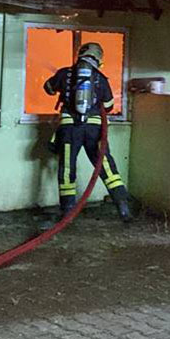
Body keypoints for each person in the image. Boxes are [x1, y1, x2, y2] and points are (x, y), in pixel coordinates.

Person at [43, 42, 132, 221]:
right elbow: (108, 106)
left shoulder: (64, 73)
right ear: (98, 58)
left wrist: (61, 86)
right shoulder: (100, 78)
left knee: (67, 168)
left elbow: (48, 88)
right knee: (106, 166)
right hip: (95, 130)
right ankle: (123, 207)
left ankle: (67, 211)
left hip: (69, 129)